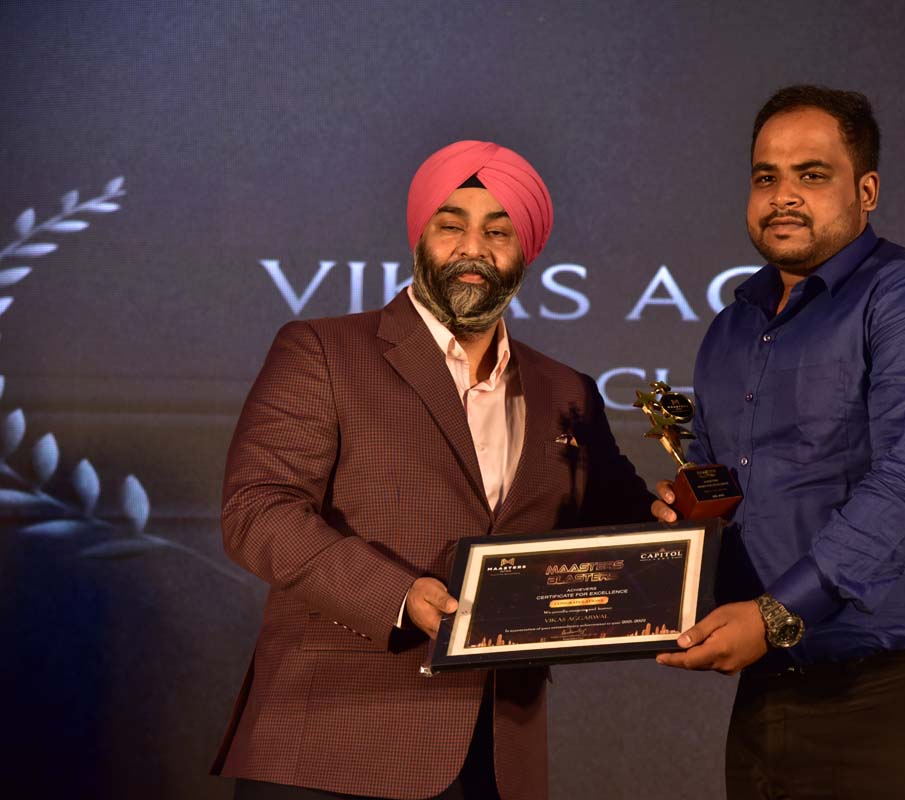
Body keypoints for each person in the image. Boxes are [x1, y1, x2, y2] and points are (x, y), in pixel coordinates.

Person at [212, 140, 652, 800]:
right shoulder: (323, 350)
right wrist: (398, 594)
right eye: (451, 226)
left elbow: (623, 530)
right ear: (420, 236)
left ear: (526, 250)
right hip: (329, 744)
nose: (473, 249)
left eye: (498, 231)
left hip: (495, 757)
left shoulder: (567, 390)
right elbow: (257, 511)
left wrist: (682, 520)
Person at [652, 85, 905, 798]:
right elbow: (719, 482)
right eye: (766, 176)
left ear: (867, 191)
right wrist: (683, 522)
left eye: (812, 174)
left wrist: (775, 614)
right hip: (774, 685)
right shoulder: (732, 329)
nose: (784, 196)